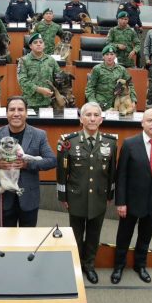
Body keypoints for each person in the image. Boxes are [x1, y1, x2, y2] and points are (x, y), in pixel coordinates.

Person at [111, 108, 152, 284]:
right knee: (124, 236)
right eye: (149, 120)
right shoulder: (130, 144)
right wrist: (121, 202)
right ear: (142, 123)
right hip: (131, 202)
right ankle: (118, 266)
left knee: (145, 237)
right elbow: (121, 175)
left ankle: (140, 265)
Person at [56, 102, 117, 284]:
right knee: (75, 234)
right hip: (76, 196)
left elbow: (112, 172)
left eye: (96, 115)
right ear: (81, 119)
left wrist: (109, 195)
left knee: (93, 234)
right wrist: (63, 196)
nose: (92, 118)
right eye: (88, 115)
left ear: (101, 119)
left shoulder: (111, 142)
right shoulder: (68, 141)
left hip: (99, 196)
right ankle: (75, 265)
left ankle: (89, 265)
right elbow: (62, 172)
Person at [0, 96, 56, 227]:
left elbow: (51, 160)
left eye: (20, 109)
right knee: (5, 241)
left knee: (28, 242)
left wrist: (27, 164)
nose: (16, 113)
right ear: (7, 113)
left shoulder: (39, 134)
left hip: (29, 197)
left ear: (26, 113)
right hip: (4, 197)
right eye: (12, 110)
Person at [85, 45, 137, 111]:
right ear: (103, 56)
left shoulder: (122, 70)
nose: (109, 57)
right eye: (107, 54)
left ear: (115, 56)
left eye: (112, 54)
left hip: (118, 104)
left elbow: (130, 85)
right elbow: (90, 88)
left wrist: (133, 100)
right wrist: (93, 103)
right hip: (101, 104)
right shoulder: (97, 69)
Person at [17, 34, 61, 109]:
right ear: (30, 46)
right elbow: (22, 81)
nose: (38, 44)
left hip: (48, 102)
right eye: (35, 42)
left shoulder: (51, 60)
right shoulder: (23, 60)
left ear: (44, 45)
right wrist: (40, 90)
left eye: (41, 42)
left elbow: (59, 78)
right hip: (30, 103)